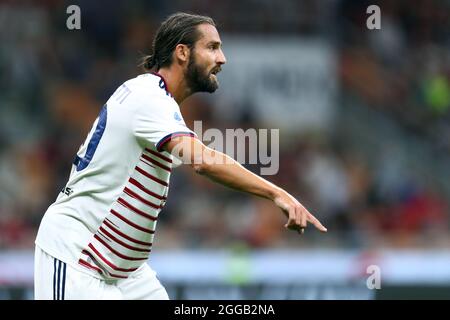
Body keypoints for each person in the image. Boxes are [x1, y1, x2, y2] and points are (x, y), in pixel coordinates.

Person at [34, 12, 327, 300]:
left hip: (127, 271)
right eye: (212, 47)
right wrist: (276, 193)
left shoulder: (158, 102)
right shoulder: (148, 97)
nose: (222, 58)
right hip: (78, 256)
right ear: (182, 53)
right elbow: (202, 161)